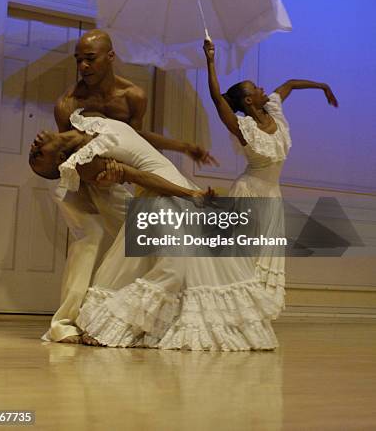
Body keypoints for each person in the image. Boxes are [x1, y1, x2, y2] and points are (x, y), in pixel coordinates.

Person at [46, 29, 216, 343]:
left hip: (120, 177)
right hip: (85, 177)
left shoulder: (133, 96)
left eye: (90, 58)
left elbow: (132, 137)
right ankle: (66, 323)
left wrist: (182, 146)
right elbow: (65, 150)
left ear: (110, 57)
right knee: (90, 238)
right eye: (78, 60)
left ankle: (126, 321)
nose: (83, 66)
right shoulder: (68, 104)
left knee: (139, 244)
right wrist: (92, 174)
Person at [202, 38, 339, 346]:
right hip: (249, 194)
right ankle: (229, 317)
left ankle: (253, 319)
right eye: (257, 89)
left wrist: (322, 85)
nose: (264, 90)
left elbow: (289, 83)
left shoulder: (274, 112)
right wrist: (211, 59)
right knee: (242, 257)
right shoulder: (243, 127)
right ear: (249, 101)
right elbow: (216, 98)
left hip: (271, 197)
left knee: (265, 258)